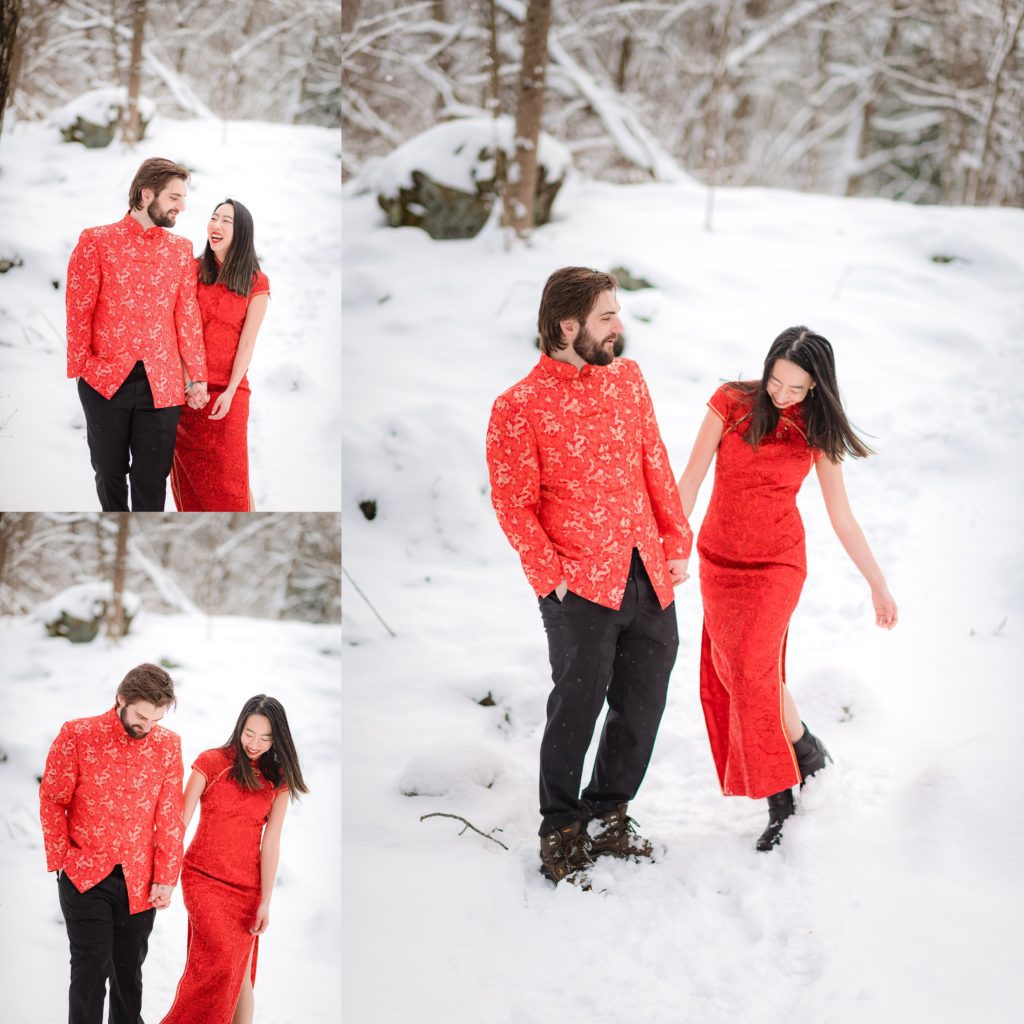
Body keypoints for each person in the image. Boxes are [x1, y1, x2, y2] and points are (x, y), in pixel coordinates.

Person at [486, 267, 692, 887]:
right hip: (579, 584)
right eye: (607, 317)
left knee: (642, 702)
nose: (618, 328)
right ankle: (560, 827)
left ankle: (609, 812)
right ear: (566, 326)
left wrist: (676, 539)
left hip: (646, 570)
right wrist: (550, 577)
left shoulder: (628, 380)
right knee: (575, 706)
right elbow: (512, 503)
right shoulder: (518, 406)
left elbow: (654, 461)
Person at [676, 326, 898, 852]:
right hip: (719, 560)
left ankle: (782, 797)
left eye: (797, 389)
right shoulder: (731, 403)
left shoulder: (816, 430)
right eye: (777, 382)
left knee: (752, 670)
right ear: (767, 366)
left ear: (818, 387)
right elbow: (689, 479)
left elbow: (840, 516)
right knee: (742, 674)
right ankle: (807, 749)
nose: (783, 396)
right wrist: (671, 546)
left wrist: (878, 583)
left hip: (777, 564)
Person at [39, 664, 184, 1024]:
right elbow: (53, 799)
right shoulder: (78, 734)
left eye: (156, 719)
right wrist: (63, 859)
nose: (147, 726)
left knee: (128, 976)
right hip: (85, 876)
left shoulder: (168, 746)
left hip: (139, 881)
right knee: (90, 972)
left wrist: (165, 877)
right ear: (121, 698)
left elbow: (169, 816)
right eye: (141, 715)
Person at [66, 157, 209, 511]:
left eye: (183, 198)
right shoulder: (96, 241)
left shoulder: (180, 251)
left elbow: (186, 316)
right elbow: (78, 308)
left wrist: (197, 378)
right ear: (147, 194)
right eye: (175, 197)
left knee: (151, 479)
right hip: (105, 381)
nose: (182, 206)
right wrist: (84, 365)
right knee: (109, 472)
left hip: (163, 387)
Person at [159, 695, 307, 1024]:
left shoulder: (277, 780)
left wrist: (265, 900)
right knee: (222, 963)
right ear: (239, 727)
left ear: (277, 739)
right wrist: (165, 876)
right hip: (203, 879)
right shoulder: (212, 762)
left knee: (239, 975)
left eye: (266, 737)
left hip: (247, 889)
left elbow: (271, 843)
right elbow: (179, 823)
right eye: (249, 733)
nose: (255, 743)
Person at [170, 199, 270, 511]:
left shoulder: (256, 283)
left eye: (227, 220)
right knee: (190, 485)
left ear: (241, 231)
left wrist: (229, 391)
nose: (217, 225)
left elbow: (247, 344)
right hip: (188, 392)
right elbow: (179, 329)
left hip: (229, 395)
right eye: (214, 218)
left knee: (230, 484)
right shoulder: (192, 270)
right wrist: (189, 382)